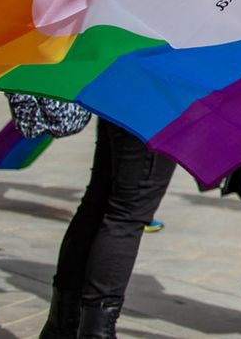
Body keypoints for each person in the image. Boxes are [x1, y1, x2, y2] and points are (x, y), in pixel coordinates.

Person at [40, 117, 176, 338]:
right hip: (158, 103)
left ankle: (62, 327)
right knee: (127, 214)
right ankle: (95, 332)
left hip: (120, 95)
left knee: (99, 202)